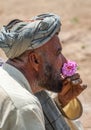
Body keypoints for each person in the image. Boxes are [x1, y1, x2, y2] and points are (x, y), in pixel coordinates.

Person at [0, 13, 87, 130]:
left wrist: (62, 101)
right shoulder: (24, 107)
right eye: (58, 53)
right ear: (35, 60)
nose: (65, 61)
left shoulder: (6, 77)